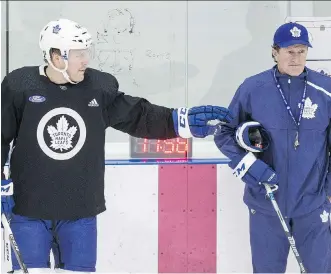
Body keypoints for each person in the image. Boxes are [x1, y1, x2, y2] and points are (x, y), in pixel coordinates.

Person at [1, 18, 234, 273]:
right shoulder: (19, 86)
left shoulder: (98, 87)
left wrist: (180, 121)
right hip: (29, 210)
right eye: (78, 54)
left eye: (86, 52)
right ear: (56, 57)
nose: (86, 60)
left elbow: (137, 115)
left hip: (80, 211)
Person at [214, 22, 331, 273]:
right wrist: (249, 166)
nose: (296, 57)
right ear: (274, 52)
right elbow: (224, 132)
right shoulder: (252, 88)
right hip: (266, 203)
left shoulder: (325, 89)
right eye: (290, 51)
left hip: (313, 205)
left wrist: (328, 191)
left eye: (301, 50)